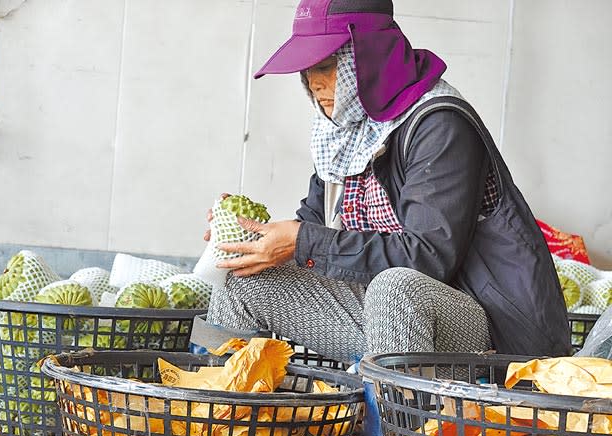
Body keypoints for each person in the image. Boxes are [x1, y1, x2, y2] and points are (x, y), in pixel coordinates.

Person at [192, 0, 571, 364]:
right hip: (385, 318)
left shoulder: (439, 125)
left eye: (325, 66)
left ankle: (391, 427)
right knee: (243, 276)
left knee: (395, 287)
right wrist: (250, 237)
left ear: (369, 59)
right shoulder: (342, 134)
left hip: (488, 332)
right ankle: (213, 402)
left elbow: (425, 258)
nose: (313, 83)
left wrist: (302, 241)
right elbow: (311, 233)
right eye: (306, 70)